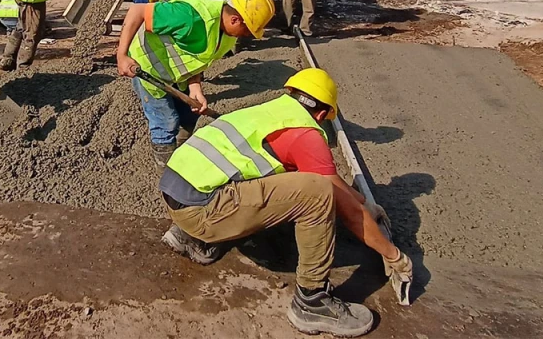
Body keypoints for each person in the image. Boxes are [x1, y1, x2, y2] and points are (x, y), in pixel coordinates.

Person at [158, 68, 413, 337]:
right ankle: (312, 302)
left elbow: (336, 182)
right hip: (202, 211)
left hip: (176, 195)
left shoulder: (269, 112)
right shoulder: (306, 135)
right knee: (316, 193)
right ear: (323, 114)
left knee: (293, 179)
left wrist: (364, 202)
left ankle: (189, 237)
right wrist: (393, 256)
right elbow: (343, 206)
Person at [116, 0, 276, 166]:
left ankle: (180, 159)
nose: (247, 36)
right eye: (248, 31)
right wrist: (122, 55)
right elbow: (138, 10)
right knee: (166, 122)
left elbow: (199, 58)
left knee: (189, 116)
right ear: (235, 20)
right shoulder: (190, 16)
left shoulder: (225, 33)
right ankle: (167, 173)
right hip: (147, 69)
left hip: (176, 75)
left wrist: (195, 87)